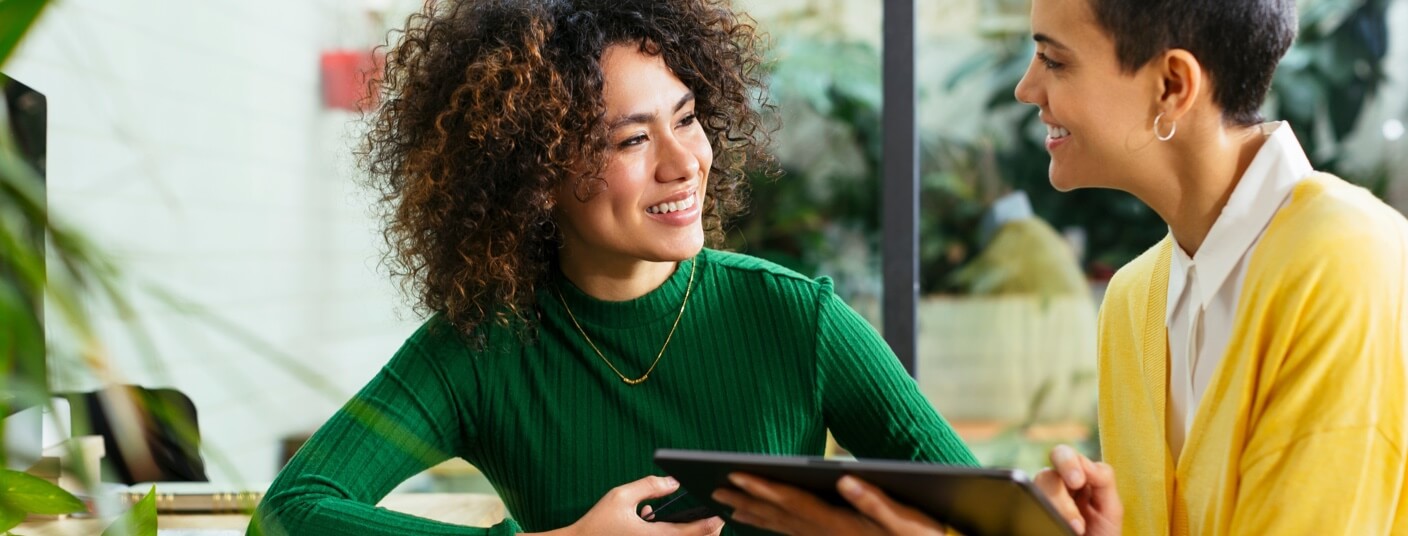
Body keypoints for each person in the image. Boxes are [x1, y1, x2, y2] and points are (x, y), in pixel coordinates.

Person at [248, 0, 978, 534]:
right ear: (537, 176)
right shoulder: (481, 346)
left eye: (686, 119)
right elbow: (289, 514)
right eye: (631, 141)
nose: (684, 162)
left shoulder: (795, 318)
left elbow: (996, 516)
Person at [720, 0, 1408, 534]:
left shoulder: (1350, 265)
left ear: (1172, 84)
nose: (1026, 88)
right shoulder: (1136, 302)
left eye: (1054, 60)